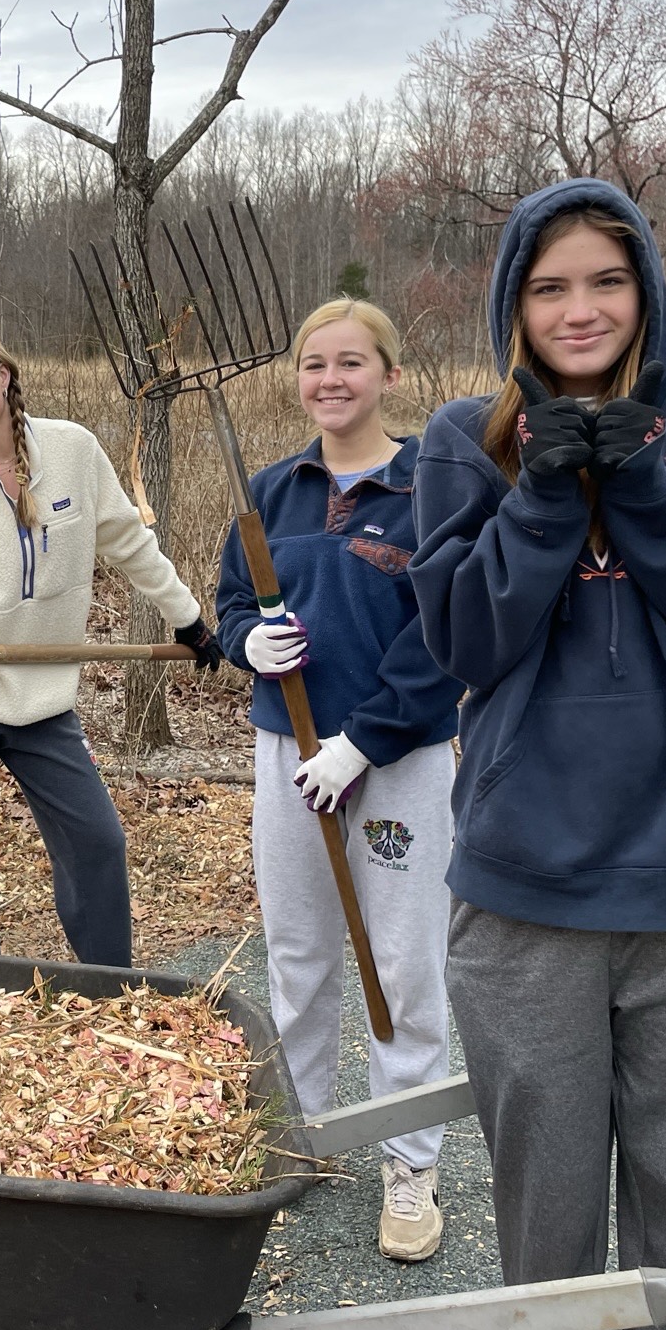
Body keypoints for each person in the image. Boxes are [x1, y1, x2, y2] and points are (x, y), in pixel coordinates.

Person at [410, 178, 666, 1328]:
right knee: (545, 1231)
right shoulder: (461, 438)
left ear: (642, 287)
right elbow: (465, 644)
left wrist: (640, 479)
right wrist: (539, 499)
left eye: (603, 279)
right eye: (547, 288)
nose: (577, 309)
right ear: (511, 304)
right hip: (522, 894)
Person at [214, 298, 463, 1263]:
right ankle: (299, 1134)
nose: (329, 380)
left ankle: (410, 1161)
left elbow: (446, 637)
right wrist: (249, 641)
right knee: (300, 953)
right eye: (314, 364)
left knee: (401, 963)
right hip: (286, 756)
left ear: (390, 375)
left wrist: (364, 741)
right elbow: (236, 599)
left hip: (391, 765)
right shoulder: (271, 492)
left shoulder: (429, 493)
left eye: (351, 363)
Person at [0, 323, 221, 969]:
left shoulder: (73, 451)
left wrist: (188, 618)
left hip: (44, 701)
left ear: (3, 375)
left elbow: (128, 541)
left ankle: (107, 988)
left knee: (96, 842)